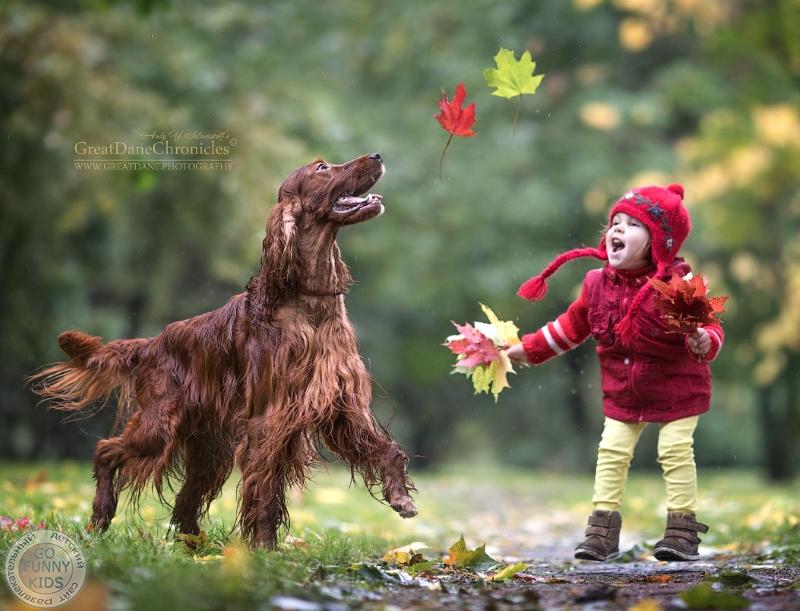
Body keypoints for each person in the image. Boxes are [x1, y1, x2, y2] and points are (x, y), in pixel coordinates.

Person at [506, 184, 723, 562]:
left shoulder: (679, 285)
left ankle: (682, 530)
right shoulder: (597, 284)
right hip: (624, 389)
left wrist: (705, 340)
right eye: (615, 222)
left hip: (677, 387)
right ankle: (602, 531)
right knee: (611, 452)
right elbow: (571, 326)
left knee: (674, 450)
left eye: (632, 225)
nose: (618, 229)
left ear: (659, 243)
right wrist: (530, 349)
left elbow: (711, 326)